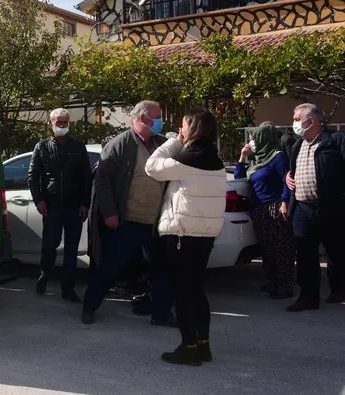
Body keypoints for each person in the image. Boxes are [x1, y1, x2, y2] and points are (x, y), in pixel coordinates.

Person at [144, 109, 227, 366]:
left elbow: (152, 167)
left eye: (182, 127)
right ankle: (203, 345)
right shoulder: (215, 158)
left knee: (182, 292)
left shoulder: (189, 158)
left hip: (183, 234)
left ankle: (188, 346)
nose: (180, 130)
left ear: (193, 129)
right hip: (204, 235)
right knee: (197, 290)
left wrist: (174, 141)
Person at [81, 100, 173, 325]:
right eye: (156, 117)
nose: (161, 122)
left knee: (162, 269)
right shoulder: (119, 144)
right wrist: (110, 212)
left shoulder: (161, 144)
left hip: (156, 222)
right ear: (141, 119)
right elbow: (102, 181)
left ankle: (161, 314)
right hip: (127, 221)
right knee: (110, 267)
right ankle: (89, 307)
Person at [284, 103, 345, 311]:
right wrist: (288, 178)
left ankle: (339, 288)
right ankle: (308, 296)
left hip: (331, 207)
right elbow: (293, 170)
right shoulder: (297, 145)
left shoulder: (335, 141)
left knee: (336, 251)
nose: (294, 123)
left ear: (310, 121)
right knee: (304, 254)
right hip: (302, 207)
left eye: (296, 118)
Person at [27, 108, 91, 303]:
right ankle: (45, 274)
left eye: (65, 122)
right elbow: (33, 176)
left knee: (71, 250)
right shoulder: (42, 147)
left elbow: (86, 178)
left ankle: (68, 288)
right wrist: (39, 200)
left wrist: (84, 203)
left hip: (74, 206)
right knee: (50, 245)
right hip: (52, 206)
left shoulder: (78, 147)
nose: (62, 125)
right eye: (58, 122)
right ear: (51, 123)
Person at [234, 122, 295, 299]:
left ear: (263, 138)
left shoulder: (278, 157)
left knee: (281, 247)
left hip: (275, 207)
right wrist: (242, 157)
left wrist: (284, 202)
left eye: (254, 138)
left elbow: (287, 181)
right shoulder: (258, 161)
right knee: (267, 248)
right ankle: (273, 282)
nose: (251, 141)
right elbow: (241, 179)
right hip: (259, 209)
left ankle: (285, 285)